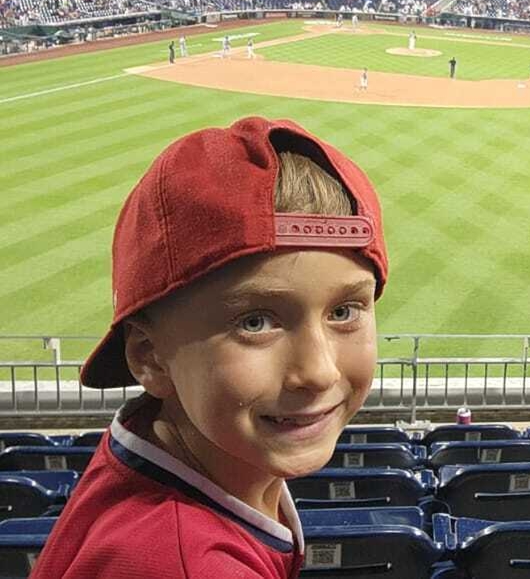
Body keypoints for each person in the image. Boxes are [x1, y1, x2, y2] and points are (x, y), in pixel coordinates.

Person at [30, 117, 389, 578]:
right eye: (255, 322)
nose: (318, 371)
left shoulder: (166, 442)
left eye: (343, 311)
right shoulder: (185, 564)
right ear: (149, 356)